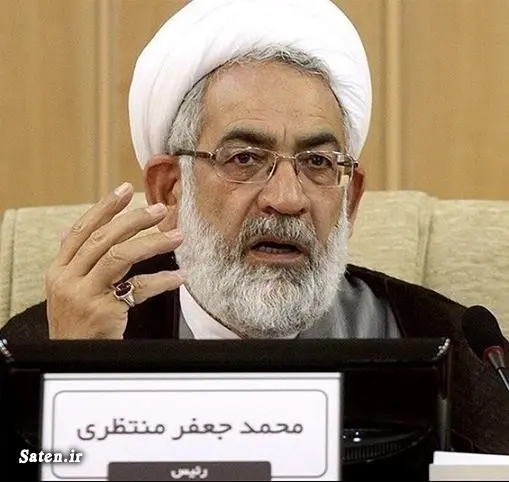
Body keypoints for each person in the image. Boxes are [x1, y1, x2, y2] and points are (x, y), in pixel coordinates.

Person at [1, 0, 508, 454]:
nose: (287, 199)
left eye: (317, 162)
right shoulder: (66, 338)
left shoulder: (460, 350)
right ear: (171, 191)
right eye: (244, 158)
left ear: (349, 200)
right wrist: (70, 382)